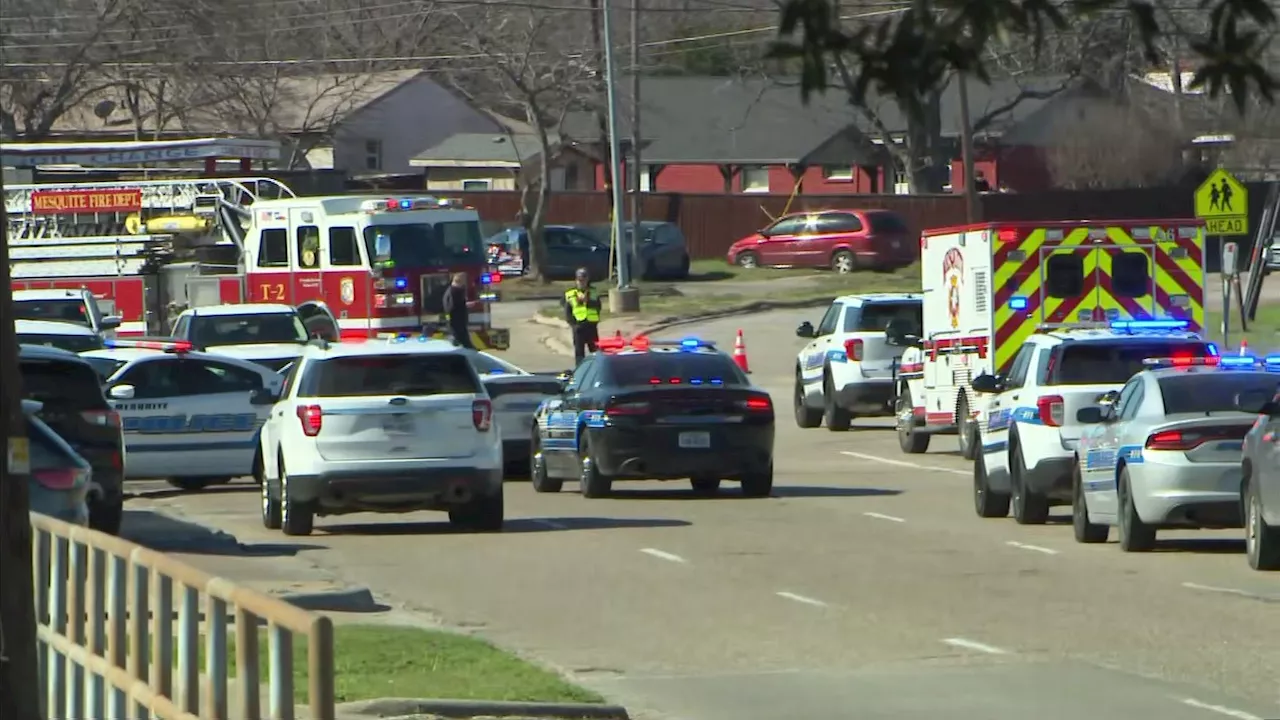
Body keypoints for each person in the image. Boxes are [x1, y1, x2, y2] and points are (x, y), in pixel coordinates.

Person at [563, 267, 602, 364]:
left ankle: (597, 370)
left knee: (596, 352)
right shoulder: (570, 293)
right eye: (580, 280)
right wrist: (573, 325)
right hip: (578, 327)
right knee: (579, 353)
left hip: (591, 326)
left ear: (587, 280)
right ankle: (580, 372)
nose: (582, 282)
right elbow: (568, 311)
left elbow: (598, 307)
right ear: (576, 280)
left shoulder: (593, 292)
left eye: (584, 280)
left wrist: (587, 301)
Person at [441, 272, 474, 349]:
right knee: (466, 345)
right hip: (458, 324)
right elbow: (452, 307)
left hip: (455, 324)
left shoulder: (450, 291)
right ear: (460, 281)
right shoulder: (455, 292)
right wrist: (465, 305)